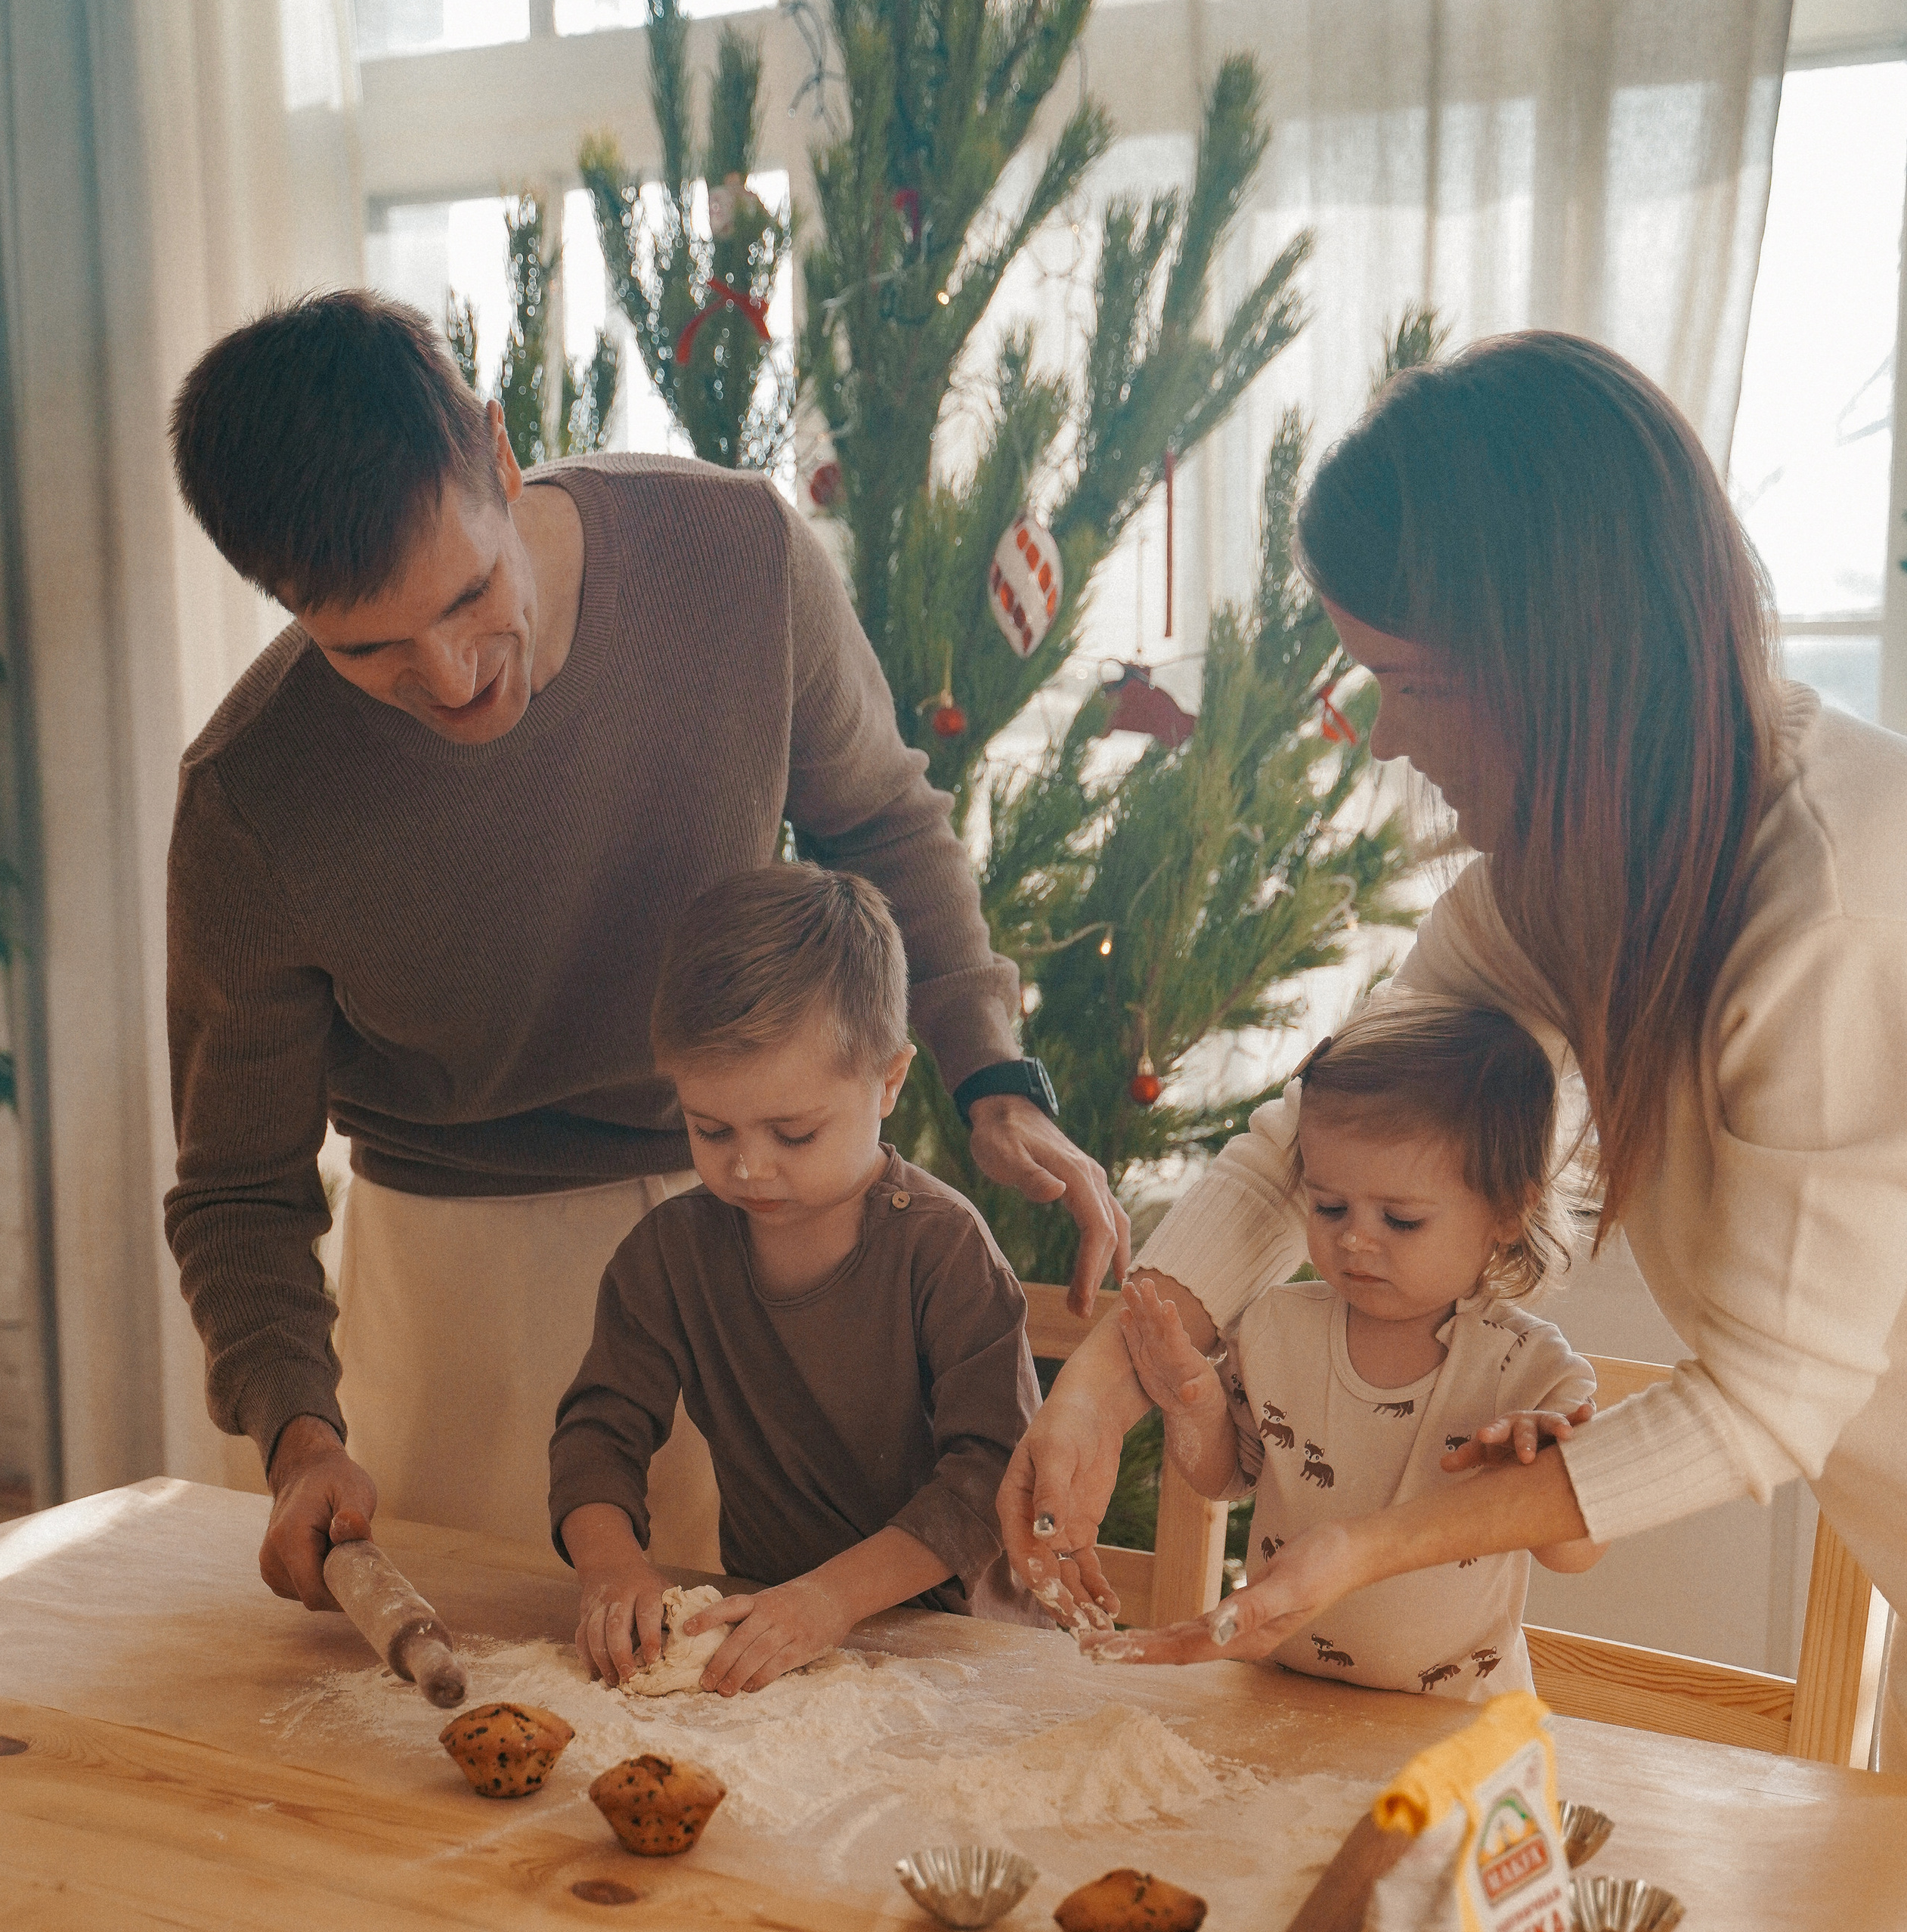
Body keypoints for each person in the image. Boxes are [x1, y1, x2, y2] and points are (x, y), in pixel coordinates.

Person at [998, 329, 1907, 1762]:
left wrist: (1371, 1548)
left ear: (1562, 673)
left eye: (1408, 686)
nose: (1379, 742)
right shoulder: (1565, 882)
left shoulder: (1833, 913)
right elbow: (1323, 1133)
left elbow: (1767, 1404)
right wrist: (1111, 1372)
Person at [163, 292, 1128, 1610]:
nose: (451, 677)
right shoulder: (251, 793)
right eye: (371, 651)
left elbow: (886, 824)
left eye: (469, 595)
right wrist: (298, 1433)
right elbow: (236, 1188)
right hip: (456, 1292)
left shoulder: (735, 552)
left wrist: (994, 1078)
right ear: (282, 601)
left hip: (748, 1208)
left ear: (501, 458)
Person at [552, 863, 1048, 1694]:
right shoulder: (669, 1257)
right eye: (710, 1129)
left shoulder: (943, 1250)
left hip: (963, 1657)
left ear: (888, 1081)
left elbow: (989, 1473)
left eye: (793, 1132)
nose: (748, 1167)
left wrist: (830, 1599)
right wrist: (610, 1570)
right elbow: (597, 1435)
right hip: (774, 1647)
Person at [1116, 1001, 1602, 1699]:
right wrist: (1192, 1402)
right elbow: (1227, 1476)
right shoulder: (1276, 1328)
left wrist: (1546, 1465)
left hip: (1454, 1727)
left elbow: (1576, 1552)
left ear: (1506, 1210)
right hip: (1279, 1693)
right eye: (1329, 1207)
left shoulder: (1530, 1370)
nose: (1355, 1240)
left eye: (1400, 1219)